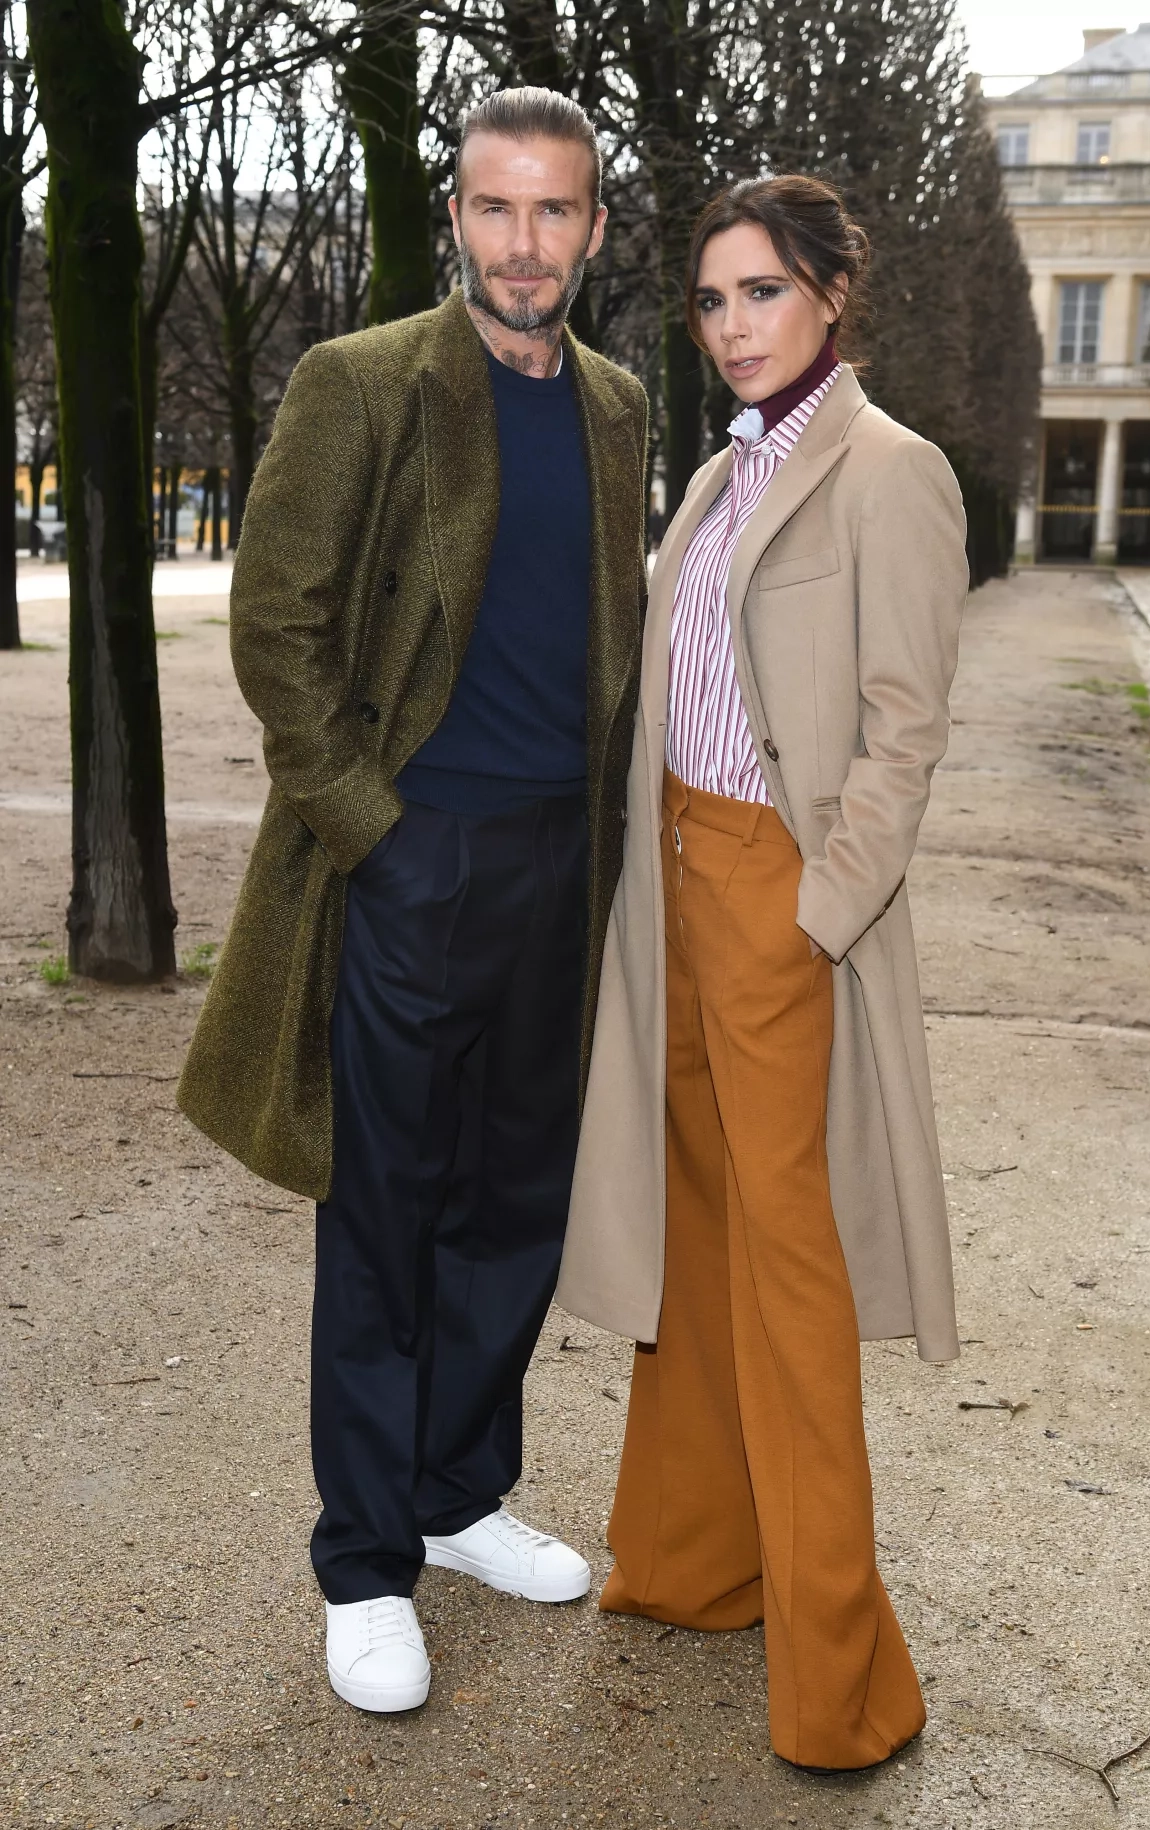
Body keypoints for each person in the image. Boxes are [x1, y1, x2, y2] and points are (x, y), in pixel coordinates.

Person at [176, 88, 649, 1715]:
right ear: (456, 216)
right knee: (384, 1215)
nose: (525, 242)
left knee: (515, 1205)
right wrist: (376, 834)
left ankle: (456, 1494)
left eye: (554, 209)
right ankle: (367, 1559)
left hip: (559, 864)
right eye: (496, 208)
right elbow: (276, 623)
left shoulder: (617, 405)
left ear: (594, 226)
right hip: (413, 856)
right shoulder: (361, 380)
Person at [556, 174, 969, 1770]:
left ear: (833, 294)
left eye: (766, 292)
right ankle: (693, 1563)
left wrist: (817, 910)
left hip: (777, 905)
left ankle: (845, 1684)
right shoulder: (725, 473)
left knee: (791, 1283)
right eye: (715, 299)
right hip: (673, 887)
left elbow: (903, 731)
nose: (734, 325)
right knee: (697, 1244)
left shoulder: (891, 471)